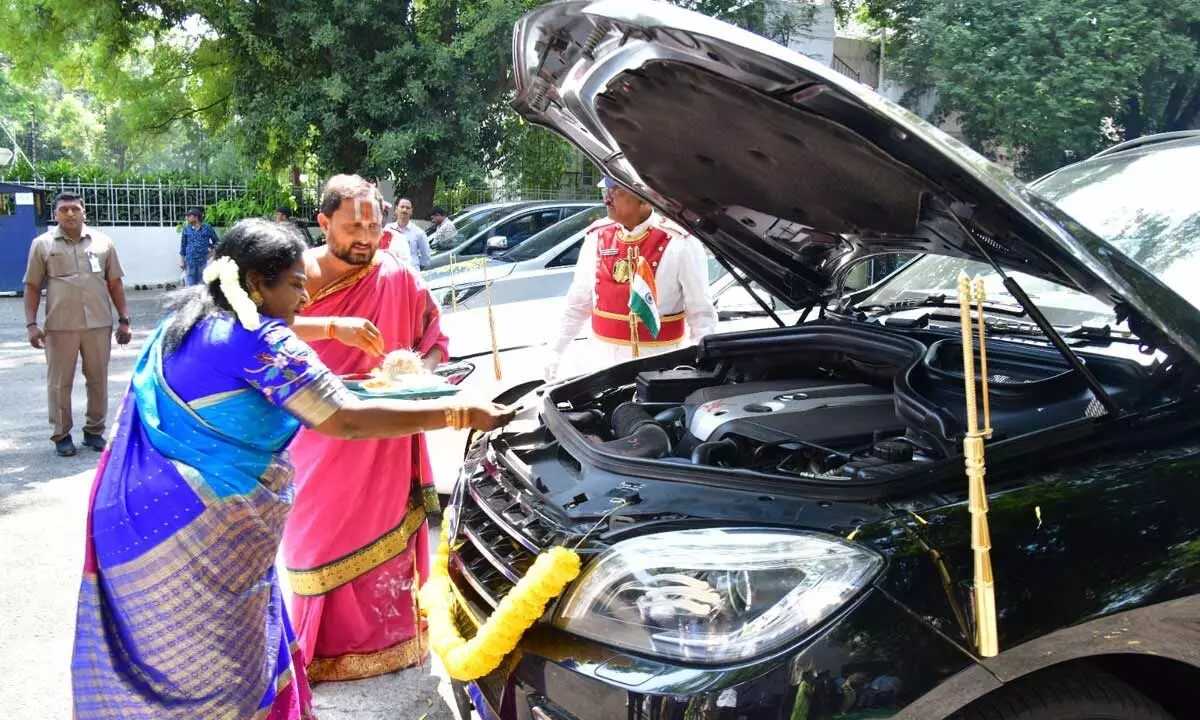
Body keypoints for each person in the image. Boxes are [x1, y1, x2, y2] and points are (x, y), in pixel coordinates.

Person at [70, 218, 514, 719]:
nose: (306, 298)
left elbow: (301, 369)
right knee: (223, 670)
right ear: (257, 284)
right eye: (297, 285)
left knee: (165, 656)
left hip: (134, 515)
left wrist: (329, 328)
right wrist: (461, 413)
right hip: (202, 525)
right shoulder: (262, 343)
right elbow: (343, 417)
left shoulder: (188, 322)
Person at [282, 175, 453, 682]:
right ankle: (318, 647)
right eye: (352, 225)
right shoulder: (295, 275)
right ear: (323, 223)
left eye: (373, 225)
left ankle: (392, 644)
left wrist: (420, 368)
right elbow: (252, 328)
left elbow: (434, 337)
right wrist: (333, 327)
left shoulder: (397, 273)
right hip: (317, 433)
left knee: (389, 528)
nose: (365, 236)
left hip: (386, 432)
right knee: (316, 537)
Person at [543, 178, 717, 382]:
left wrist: (698, 365)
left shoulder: (680, 242)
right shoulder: (597, 237)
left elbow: (701, 314)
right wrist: (555, 351)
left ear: (644, 199)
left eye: (615, 192)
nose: (607, 200)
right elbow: (578, 303)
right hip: (601, 361)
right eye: (605, 192)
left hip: (658, 365)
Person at [23, 192, 132, 457]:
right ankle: (61, 434)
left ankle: (94, 431)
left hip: (98, 324)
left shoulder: (103, 243)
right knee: (59, 383)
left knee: (98, 380)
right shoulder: (42, 245)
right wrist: (31, 324)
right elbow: (32, 285)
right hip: (60, 326)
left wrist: (124, 320)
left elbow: (115, 283)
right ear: (56, 214)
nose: (70, 214)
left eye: (74, 208)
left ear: (84, 211)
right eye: (64, 209)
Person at [384, 198, 433, 270]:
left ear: (411, 211)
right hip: (390, 273)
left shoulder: (419, 233)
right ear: (396, 209)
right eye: (402, 207)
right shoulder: (387, 229)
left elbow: (426, 258)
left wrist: (414, 266)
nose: (404, 210)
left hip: (411, 273)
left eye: (407, 208)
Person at [179, 207, 219, 286]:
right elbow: (183, 246)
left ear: (196, 217)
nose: (186, 218)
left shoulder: (207, 228)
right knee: (190, 286)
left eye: (189, 216)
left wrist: (211, 254)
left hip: (202, 262)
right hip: (190, 262)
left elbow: (217, 243)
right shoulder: (186, 229)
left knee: (201, 285)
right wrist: (181, 261)